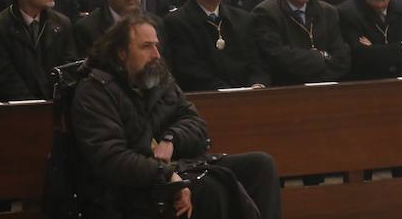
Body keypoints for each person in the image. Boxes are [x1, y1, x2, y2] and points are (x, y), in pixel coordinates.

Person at [71, 12, 281, 219]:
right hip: (129, 186)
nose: (156, 54)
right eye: (146, 47)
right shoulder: (96, 90)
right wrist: (165, 173)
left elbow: (196, 123)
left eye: (156, 45)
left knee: (261, 165)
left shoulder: (158, 78)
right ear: (121, 53)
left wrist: (172, 139)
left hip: (180, 165)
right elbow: (112, 159)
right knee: (210, 189)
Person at [165, 0, 270, 91]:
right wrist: (228, 93)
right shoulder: (177, 22)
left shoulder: (243, 19)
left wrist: (257, 84)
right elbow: (189, 71)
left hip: (248, 97)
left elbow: (257, 63)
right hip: (207, 100)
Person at [252, 0, 351, 85]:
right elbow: (279, 58)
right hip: (288, 90)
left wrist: (317, 80)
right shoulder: (267, 12)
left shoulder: (328, 12)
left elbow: (342, 59)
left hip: (326, 89)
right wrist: (321, 56)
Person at [0, 0, 78, 101]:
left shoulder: (62, 23)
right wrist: (36, 107)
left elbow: (69, 69)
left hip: (58, 104)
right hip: (19, 109)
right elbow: (5, 77)